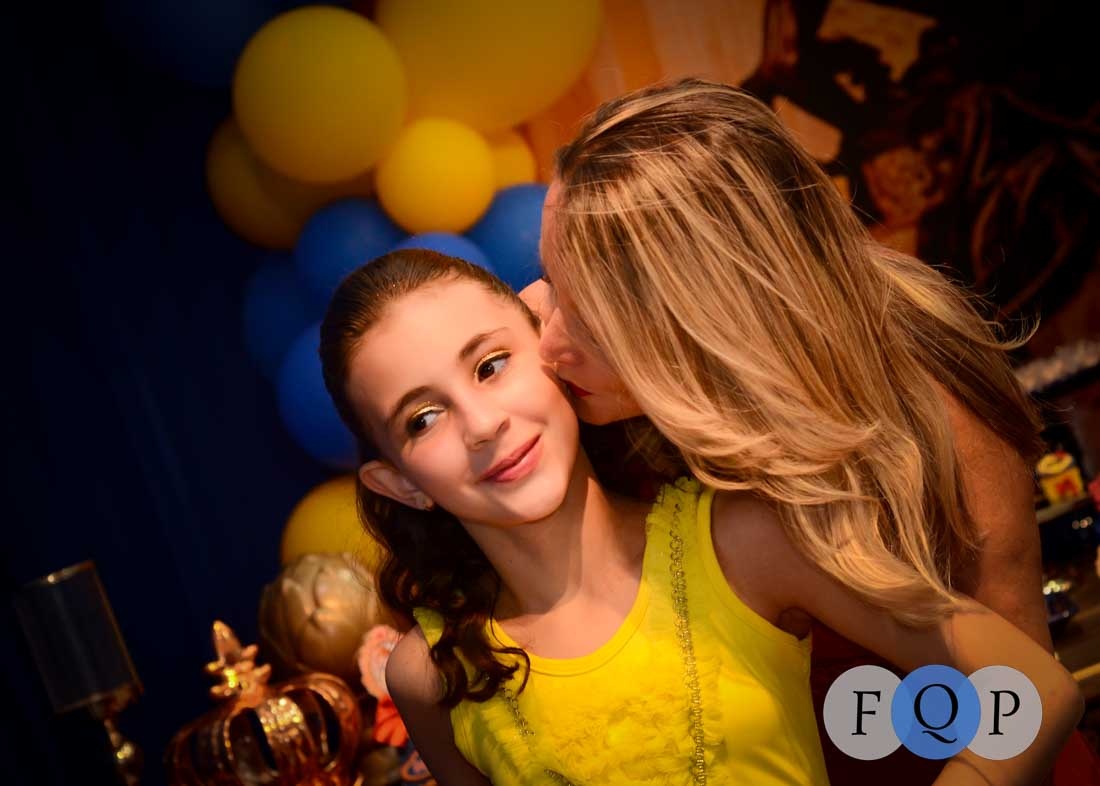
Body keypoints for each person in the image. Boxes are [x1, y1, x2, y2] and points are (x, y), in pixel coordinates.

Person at [319, 248, 1081, 786]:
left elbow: (1029, 692)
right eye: (423, 419)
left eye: (492, 365)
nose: (482, 423)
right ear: (401, 483)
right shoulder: (429, 673)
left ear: (551, 354)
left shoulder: (746, 537)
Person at [522, 77, 1098, 783]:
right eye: (552, 284)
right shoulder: (613, 410)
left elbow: (1022, 709)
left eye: (587, 312)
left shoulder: (927, 402)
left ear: (697, 312)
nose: (549, 342)